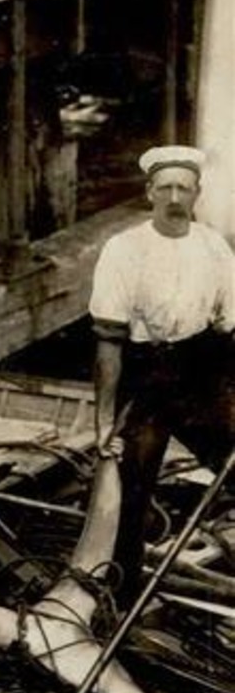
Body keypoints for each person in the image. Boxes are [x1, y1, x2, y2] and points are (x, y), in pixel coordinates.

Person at [89, 144, 235, 603]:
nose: (175, 197)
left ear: (197, 195)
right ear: (149, 191)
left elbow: (229, 326)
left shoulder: (214, 246)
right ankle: (124, 594)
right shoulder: (123, 250)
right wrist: (104, 421)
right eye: (166, 187)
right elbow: (108, 345)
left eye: (184, 189)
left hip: (201, 372)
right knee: (131, 490)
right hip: (145, 375)